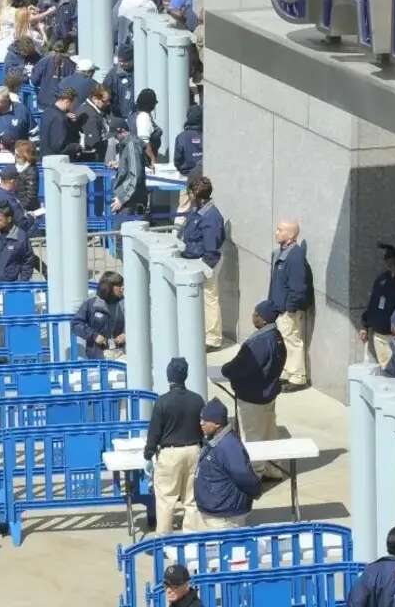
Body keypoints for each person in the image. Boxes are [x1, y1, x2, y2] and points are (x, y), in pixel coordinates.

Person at [221, 301, 287, 479]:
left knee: (252, 436)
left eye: (256, 314)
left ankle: (255, 473)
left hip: (253, 397)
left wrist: (226, 370)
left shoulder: (259, 343)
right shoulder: (277, 337)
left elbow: (242, 366)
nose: (253, 317)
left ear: (264, 319)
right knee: (269, 433)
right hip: (268, 395)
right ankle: (273, 469)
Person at [144, 357, 204, 534]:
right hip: (194, 451)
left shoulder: (162, 402)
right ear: (186, 375)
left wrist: (148, 453)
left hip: (170, 454)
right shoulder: (197, 400)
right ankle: (192, 539)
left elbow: (154, 432)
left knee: (166, 500)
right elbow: (203, 427)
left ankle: (165, 540)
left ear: (168, 376)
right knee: (191, 500)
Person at [186, 397, 261, 530]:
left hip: (225, 517)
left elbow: (244, 477)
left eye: (205, 420)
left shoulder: (229, 446)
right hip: (217, 512)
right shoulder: (215, 441)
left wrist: (256, 491)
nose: (201, 423)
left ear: (217, 423)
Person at [179, 176, 226, 347]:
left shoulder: (211, 217)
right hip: (193, 260)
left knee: (209, 299)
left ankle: (213, 339)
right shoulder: (198, 211)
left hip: (205, 262)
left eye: (190, 193)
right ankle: (202, 332)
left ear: (195, 194)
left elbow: (211, 248)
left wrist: (205, 267)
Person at [268, 220, 312, 391]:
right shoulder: (280, 252)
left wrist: (291, 308)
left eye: (280, 230)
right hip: (279, 308)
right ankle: (286, 373)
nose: (276, 232)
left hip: (289, 310)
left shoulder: (295, 255)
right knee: (284, 341)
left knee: (292, 341)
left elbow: (299, 286)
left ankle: (298, 378)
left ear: (291, 235)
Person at [0, 202, 35, 283]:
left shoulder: (21, 236)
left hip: (11, 284)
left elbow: (28, 260)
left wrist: (23, 280)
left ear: (9, 219)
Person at [72, 271, 125, 359]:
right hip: (98, 356)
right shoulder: (91, 304)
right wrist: (94, 335)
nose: (122, 288)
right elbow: (75, 324)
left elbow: (136, 325)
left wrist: (126, 335)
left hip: (121, 353)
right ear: (109, 287)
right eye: (119, 285)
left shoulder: (125, 304)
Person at [111, 117, 148, 219]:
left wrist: (122, 198)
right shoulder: (130, 144)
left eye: (115, 135)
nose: (115, 138)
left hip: (130, 201)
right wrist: (121, 165)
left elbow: (135, 175)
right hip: (131, 199)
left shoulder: (132, 146)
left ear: (122, 131)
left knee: (121, 227)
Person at [39, 87, 84, 158]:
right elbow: (59, 147)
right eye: (73, 103)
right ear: (67, 101)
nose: (73, 106)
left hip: (44, 157)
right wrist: (77, 146)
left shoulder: (47, 111)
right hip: (55, 160)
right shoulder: (59, 118)